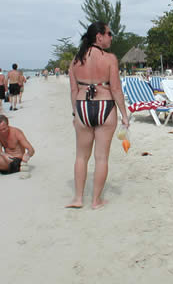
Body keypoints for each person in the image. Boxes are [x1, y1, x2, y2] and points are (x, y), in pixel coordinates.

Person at [66, 21, 129, 210]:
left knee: (81, 157)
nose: (111, 37)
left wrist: (75, 113)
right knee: (101, 157)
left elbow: (73, 90)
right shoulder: (110, 59)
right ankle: (96, 200)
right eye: (109, 34)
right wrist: (125, 115)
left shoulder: (76, 61)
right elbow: (116, 89)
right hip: (105, 105)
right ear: (99, 36)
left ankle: (78, 198)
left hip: (82, 107)